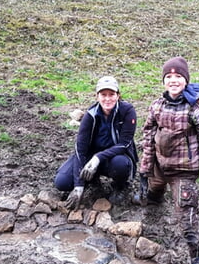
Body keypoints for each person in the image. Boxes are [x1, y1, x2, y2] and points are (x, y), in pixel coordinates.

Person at [137, 56, 199, 264]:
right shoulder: (157, 106)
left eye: (178, 77)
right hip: (160, 168)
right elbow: (148, 140)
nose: (173, 81)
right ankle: (153, 203)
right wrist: (144, 171)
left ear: (186, 79)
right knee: (153, 191)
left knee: (187, 222)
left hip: (184, 173)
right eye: (169, 77)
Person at [53, 76, 138, 209]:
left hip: (115, 158)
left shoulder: (127, 111)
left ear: (118, 95)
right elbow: (80, 150)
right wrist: (78, 186)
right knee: (62, 182)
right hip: (90, 159)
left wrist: (98, 157)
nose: (107, 98)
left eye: (111, 94)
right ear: (97, 96)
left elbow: (124, 144)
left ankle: (120, 186)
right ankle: (92, 180)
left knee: (121, 165)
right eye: (103, 95)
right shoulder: (90, 115)